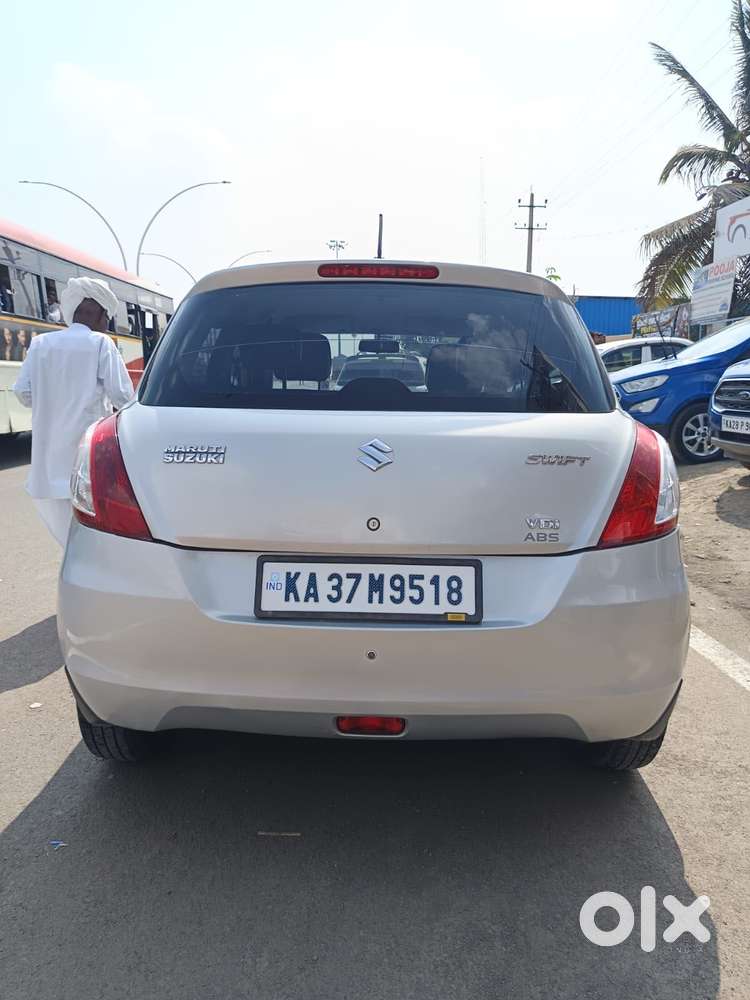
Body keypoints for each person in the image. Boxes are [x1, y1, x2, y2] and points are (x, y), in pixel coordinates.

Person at [12, 276, 135, 547]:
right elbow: (124, 398)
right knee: (91, 546)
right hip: (86, 466)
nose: (106, 325)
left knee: (67, 544)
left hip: (46, 470)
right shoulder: (102, 344)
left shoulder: (40, 344)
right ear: (99, 313)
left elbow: (22, 392)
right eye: (107, 318)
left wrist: (50, 402)